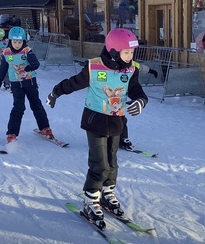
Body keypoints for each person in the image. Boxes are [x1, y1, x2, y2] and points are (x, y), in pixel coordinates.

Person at [45, 28, 148, 227]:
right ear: (114, 51)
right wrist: (55, 93)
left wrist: (141, 101)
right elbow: (73, 83)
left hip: (116, 122)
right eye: (127, 52)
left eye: (132, 52)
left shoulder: (130, 70)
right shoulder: (94, 67)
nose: (130, 56)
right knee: (99, 164)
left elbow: (136, 90)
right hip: (95, 121)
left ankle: (107, 194)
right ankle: (91, 200)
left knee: (112, 163)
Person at [0, 26, 53, 143]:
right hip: (16, 85)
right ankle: (12, 133)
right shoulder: (6, 53)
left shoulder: (27, 50)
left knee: (36, 105)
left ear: (23, 41)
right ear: (10, 41)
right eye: (15, 42)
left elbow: (35, 63)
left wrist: (29, 67)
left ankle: (45, 128)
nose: (17, 44)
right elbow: (3, 68)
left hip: (30, 83)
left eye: (20, 42)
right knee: (18, 108)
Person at [119, 61, 157, 150]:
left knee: (121, 118)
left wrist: (151, 70)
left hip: (119, 97)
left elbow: (140, 67)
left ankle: (123, 139)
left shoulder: (130, 63)